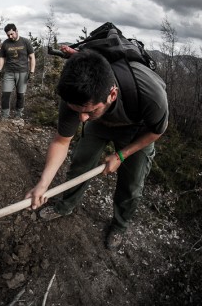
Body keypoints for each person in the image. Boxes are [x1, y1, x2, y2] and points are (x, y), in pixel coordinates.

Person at [24, 48, 168, 250]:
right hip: (100, 124)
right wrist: (43, 183)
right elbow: (61, 142)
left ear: (112, 94)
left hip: (138, 129)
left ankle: (119, 225)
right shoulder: (73, 98)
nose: (81, 118)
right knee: (81, 162)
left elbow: (157, 131)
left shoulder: (150, 94)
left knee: (132, 182)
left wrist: (121, 155)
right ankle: (66, 205)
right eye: (77, 111)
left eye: (88, 111)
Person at [0, 23, 36, 119]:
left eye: (12, 34)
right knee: (5, 94)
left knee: (20, 95)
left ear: (16, 31)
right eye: (8, 35)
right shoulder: (6, 43)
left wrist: (32, 72)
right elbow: (2, 57)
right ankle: (4, 116)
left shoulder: (25, 42)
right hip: (9, 72)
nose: (10, 36)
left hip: (23, 72)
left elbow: (32, 57)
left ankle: (18, 116)